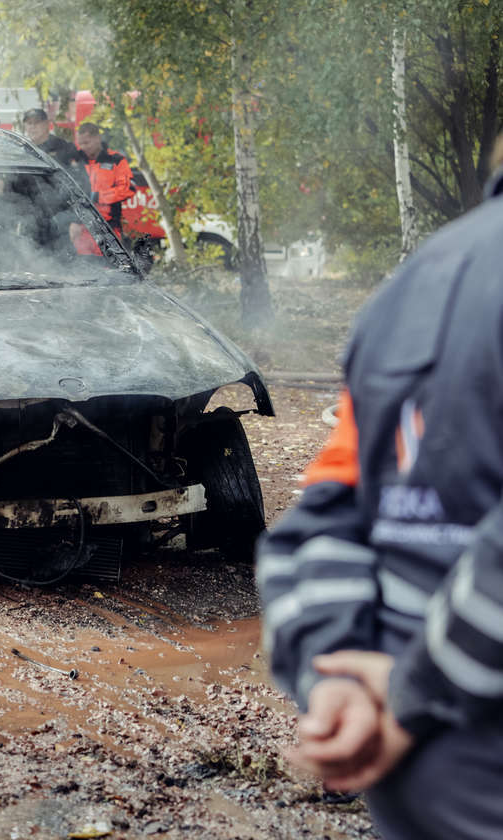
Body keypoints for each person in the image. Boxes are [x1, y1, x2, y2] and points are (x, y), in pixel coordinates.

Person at [257, 160, 503, 838]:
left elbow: (324, 516)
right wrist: (417, 692)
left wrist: (331, 674)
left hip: (421, 793)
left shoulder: (414, 283)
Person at [71, 123, 133, 235]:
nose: (83, 147)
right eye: (80, 144)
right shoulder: (74, 160)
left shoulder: (116, 159)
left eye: (86, 143)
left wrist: (99, 196)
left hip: (109, 226)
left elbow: (128, 189)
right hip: (80, 227)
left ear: (98, 138)